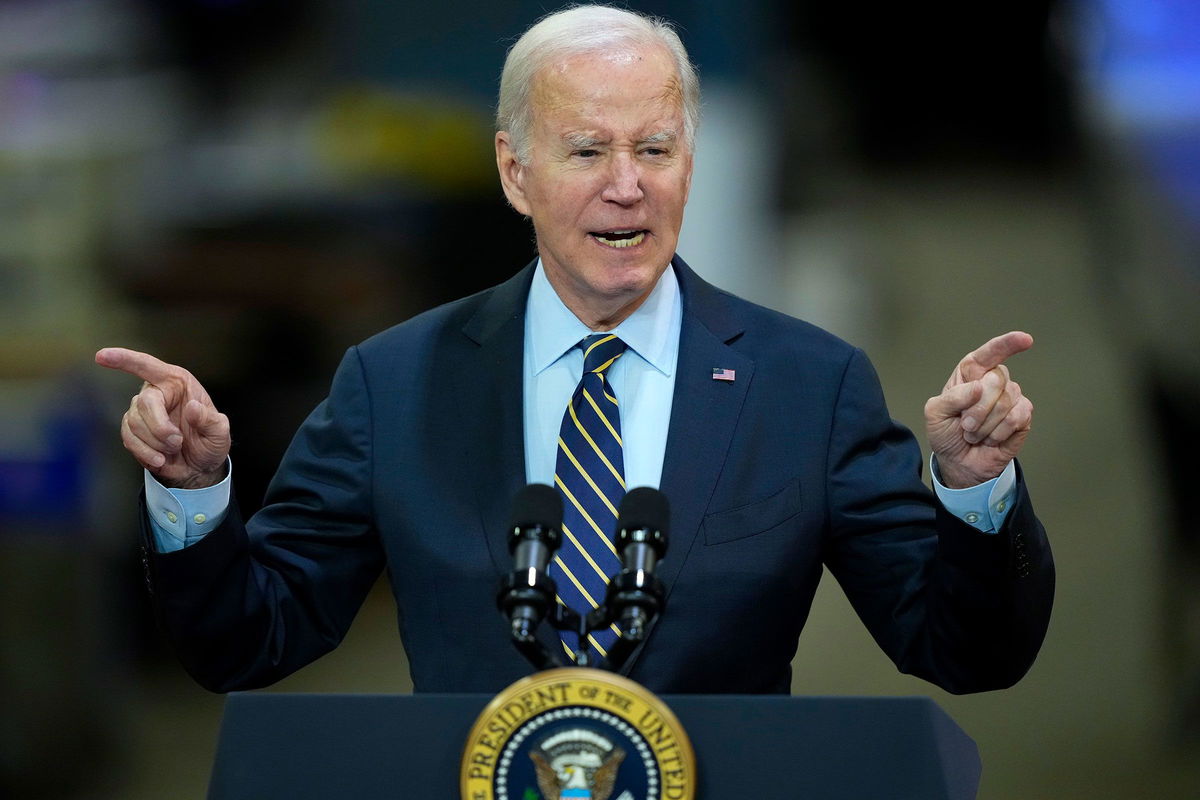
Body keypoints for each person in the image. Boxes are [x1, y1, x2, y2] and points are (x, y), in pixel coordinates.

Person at [95, 5, 1052, 695]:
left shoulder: (810, 383)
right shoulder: (392, 383)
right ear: (517, 172)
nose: (627, 187)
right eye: (588, 151)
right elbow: (247, 642)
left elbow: (965, 653)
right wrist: (194, 493)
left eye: (657, 149)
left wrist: (972, 489)